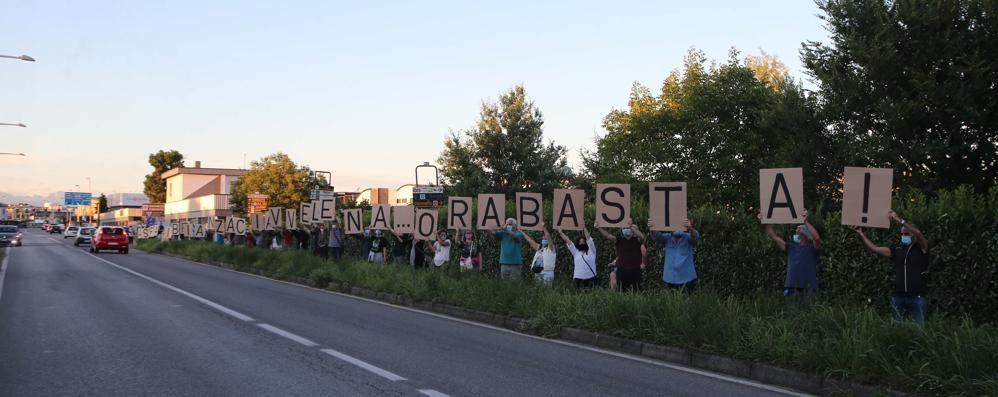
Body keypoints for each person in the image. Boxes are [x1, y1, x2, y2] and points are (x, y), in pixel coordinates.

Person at [852, 210, 930, 323]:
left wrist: (898, 219)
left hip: (917, 298)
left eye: (906, 234)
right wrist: (861, 233)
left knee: (919, 331)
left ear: (913, 235)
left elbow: (918, 233)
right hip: (898, 297)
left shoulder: (922, 248)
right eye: (902, 234)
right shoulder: (897, 251)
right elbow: (874, 249)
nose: (903, 236)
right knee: (896, 330)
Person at [762, 209, 822, 297]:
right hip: (791, 288)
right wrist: (765, 222)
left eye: (798, 232)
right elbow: (773, 236)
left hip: (808, 289)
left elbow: (816, 238)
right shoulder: (791, 247)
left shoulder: (813, 249)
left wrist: (805, 222)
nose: (796, 234)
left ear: (804, 235)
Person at [597, 220, 645, 291]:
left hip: (635, 270)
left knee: (636, 291)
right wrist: (599, 228)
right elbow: (608, 236)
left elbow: (642, 236)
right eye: (623, 228)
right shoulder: (619, 240)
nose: (625, 230)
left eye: (627, 228)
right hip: (621, 270)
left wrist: (631, 226)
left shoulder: (636, 241)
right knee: (621, 291)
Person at [652, 219, 700, 290]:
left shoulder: (688, 237)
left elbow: (696, 237)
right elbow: (657, 236)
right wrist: (652, 227)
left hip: (686, 278)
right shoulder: (667, 238)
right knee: (672, 300)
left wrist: (690, 228)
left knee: (688, 299)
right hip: (671, 278)